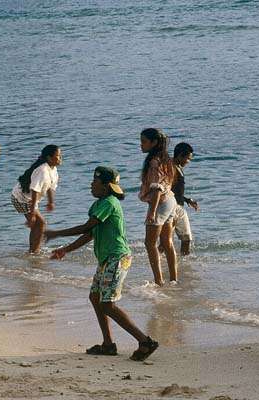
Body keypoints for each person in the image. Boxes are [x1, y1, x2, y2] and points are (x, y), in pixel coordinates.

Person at [45, 166, 158, 361]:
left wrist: (56, 233)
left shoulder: (109, 203)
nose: (91, 184)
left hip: (117, 258)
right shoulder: (99, 205)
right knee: (95, 297)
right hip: (107, 259)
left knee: (107, 304)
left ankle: (144, 341)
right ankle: (108, 344)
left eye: (95, 182)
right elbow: (90, 234)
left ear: (106, 187)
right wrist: (66, 249)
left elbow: (86, 227)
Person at [139, 128, 178, 286]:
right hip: (170, 201)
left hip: (160, 203)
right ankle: (174, 279)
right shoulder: (166, 159)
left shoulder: (154, 161)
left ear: (154, 143)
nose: (140, 145)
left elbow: (155, 189)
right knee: (167, 242)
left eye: (143, 142)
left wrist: (152, 212)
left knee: (149, 243)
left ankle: (159, 281)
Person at [11, 145, 62, 254]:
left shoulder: (53, 170)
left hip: (29, 199)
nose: (60, 158)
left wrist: (50, 202)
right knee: (41, 223)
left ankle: (33, 251)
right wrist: (33, 212)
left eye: (60, 156)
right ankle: (34, 252)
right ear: (49, 158)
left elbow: (50, 188)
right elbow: (34, 190)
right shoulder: (42, 170)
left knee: (37, 225)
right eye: (58, 156)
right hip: (21, 198)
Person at [168, 142, 198, 256]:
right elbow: (167, 189)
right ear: (180, 155)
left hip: (179, 206)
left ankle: (184, 263)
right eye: (187, 158)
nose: (188, 161)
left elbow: (176, 190)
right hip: (172, 208)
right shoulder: (171, 168)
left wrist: (187, 200)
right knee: (167, 239)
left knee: (186, 238)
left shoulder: (177, 166)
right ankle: (157, 259)